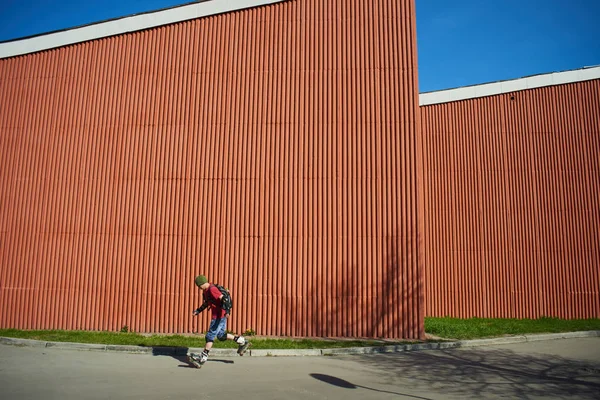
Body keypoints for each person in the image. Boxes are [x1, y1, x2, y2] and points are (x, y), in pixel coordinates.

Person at [188, 275, 250, 367]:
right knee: (221, 336)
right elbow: (207, 303)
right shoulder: (206, 291)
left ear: (202, 283)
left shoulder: (212, 289)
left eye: (199, 286)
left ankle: (202, 359)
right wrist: (198, 310)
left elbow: (224, 299)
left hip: (218, 316)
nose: (199, 288)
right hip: (219, 315)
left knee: (210, 336)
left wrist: (228, 311)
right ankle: (242, 341)